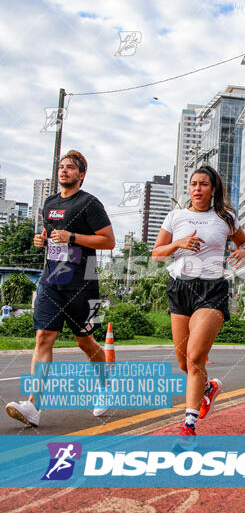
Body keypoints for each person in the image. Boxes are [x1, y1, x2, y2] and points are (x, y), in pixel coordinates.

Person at [6, 150, 115, 426]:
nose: (63, 171)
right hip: (52, 280)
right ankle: (33, 406)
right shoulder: (50, 203)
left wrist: (73, 237)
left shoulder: (90, 203)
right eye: (61, 167)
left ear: (81, 174)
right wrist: (41, 241)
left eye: (70, 168)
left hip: (83, 282)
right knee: (43, 337)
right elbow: (50, 237)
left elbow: (109, 241)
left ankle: (106, 385)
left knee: (85, 341)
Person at [152, 165, 245, 440]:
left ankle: (189, 425)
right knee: (185, 363)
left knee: (196, 356)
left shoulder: (225, 216)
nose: (197, 188)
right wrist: (178, 244)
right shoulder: (175, 216)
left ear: (213, 189)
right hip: (179, 289)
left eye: (203, 184)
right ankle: (208, 388)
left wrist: (242, 250)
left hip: (211, 290)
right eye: (194, 184)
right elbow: (156, 254)